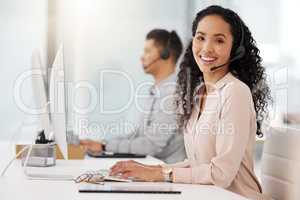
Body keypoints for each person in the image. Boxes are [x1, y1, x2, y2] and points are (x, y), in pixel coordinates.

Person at [109, 5, 272, 200]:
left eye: (219, 40)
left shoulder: (235, 92)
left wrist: (159, 174)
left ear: (235, 49)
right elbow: (197, 164)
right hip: (209, 195)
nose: (206, 48)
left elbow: (221, 174)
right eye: (201, 37)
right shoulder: (200, 92)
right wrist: (152, 170)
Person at [80, 29, 186, 164]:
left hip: (165, 170)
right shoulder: (157, 91)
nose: (142, 57)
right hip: (151, 166)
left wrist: (105, 146)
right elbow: (138, 135)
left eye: (148, 51)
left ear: (166, 55)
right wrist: (103, 143)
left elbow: (151, 145)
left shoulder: (172, 95)